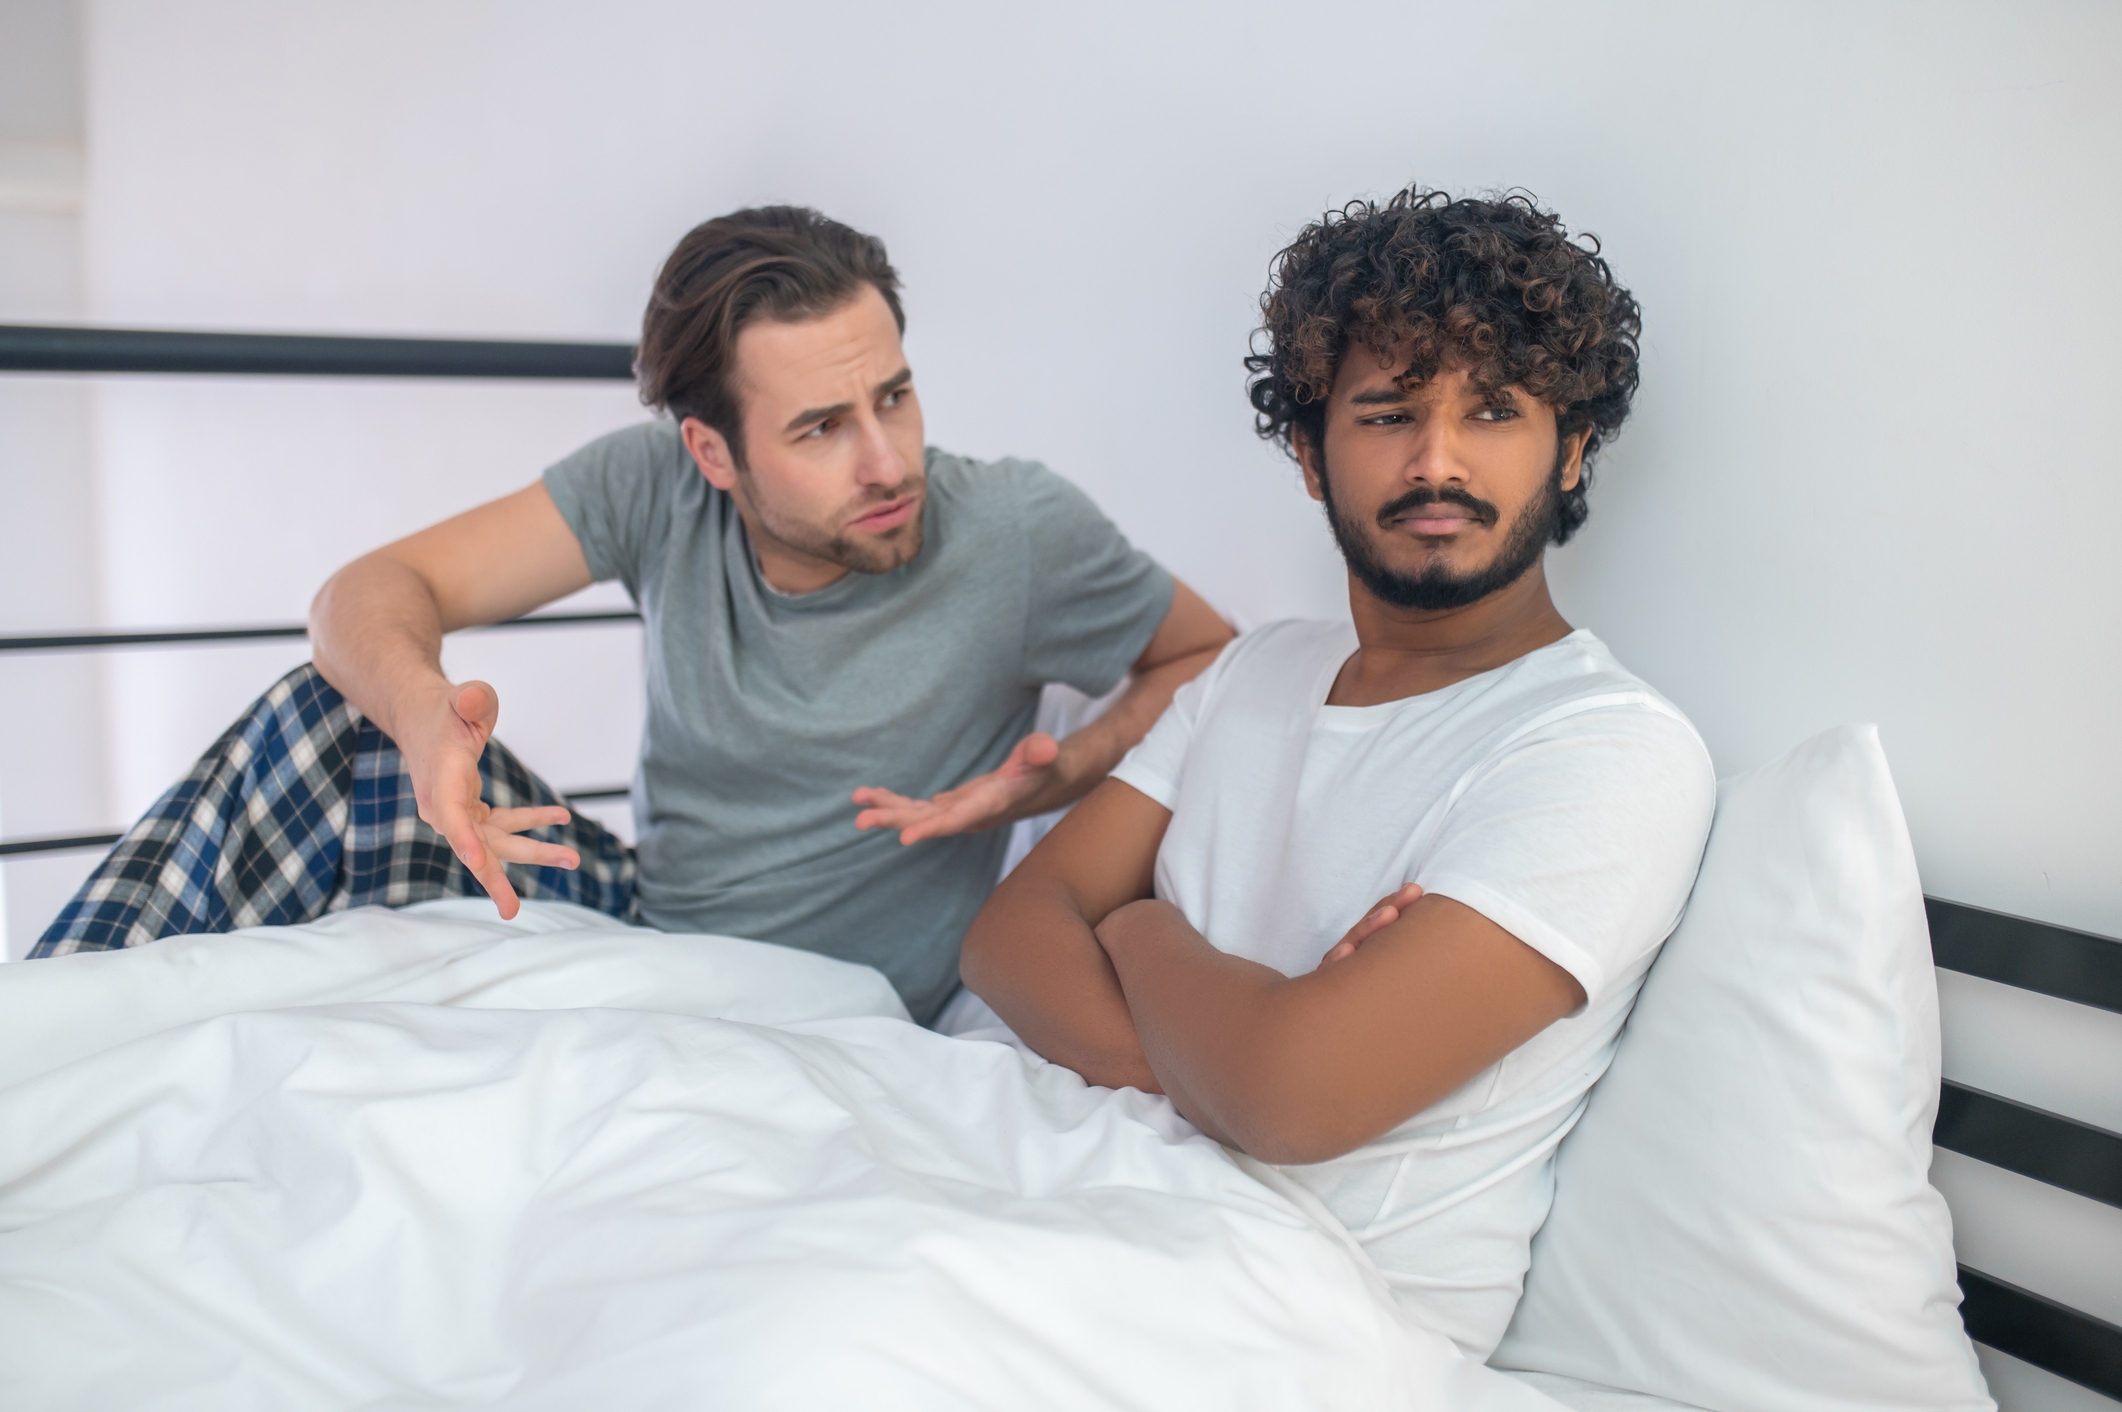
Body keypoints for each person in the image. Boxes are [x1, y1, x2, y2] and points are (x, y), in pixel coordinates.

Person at [36, 207, 1233, 1026]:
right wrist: (422, 725)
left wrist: (1063, 770)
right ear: (709, 449)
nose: (887, 461)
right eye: (820, 428)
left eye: (895, 396)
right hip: (642, 915)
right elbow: (362, 594)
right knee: (324, 715)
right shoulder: (650, 483)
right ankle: (46, 1035)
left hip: (818, 999)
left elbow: (1203, 654)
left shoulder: (1016, 530)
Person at [959, 186, 1716, 1357]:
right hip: (1068, 1195)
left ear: (1568, 453)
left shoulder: (1606, 747)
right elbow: (1008, 931)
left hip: (1300, 1311)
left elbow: (1286, 1098)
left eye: (1495, 410)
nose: (1435, 460)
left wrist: (1139, 929)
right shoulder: (1257, 670)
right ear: (1312, 456)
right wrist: (1233, 1031)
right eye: (1386, 412)